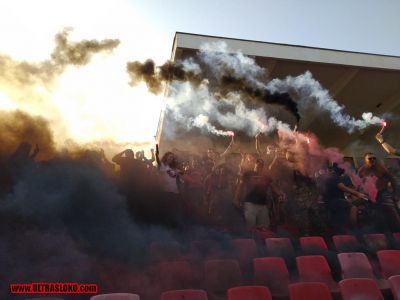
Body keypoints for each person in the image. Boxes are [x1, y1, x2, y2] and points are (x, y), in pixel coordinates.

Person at [234, 158, 285, 229]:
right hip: (250, 204)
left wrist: (280, 194)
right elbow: (240, 186)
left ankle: (261, 239)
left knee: (264, 227)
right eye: (258, 165)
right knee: (250, 226)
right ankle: (251, 239)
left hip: (263, 205)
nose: (259, 167)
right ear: (254, 165)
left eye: (261, 166)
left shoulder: (266, 176)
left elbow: (273, 186)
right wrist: (236, 198)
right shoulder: (248, 174)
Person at [358, 152, 400, 231]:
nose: (372, 160)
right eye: (370, 159)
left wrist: (395, 194)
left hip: (383, 192)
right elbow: (359, 185)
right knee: (372, 213)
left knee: (392, 209)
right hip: (370, 195)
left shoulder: (381, 167)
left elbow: (392, 179)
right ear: (365, 160)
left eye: (374, 158)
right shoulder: (362, 171)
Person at [322, 163, 367, 233]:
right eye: (343, 168)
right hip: (334, 201)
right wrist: (358, 194)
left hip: (335, 201)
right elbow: (342, 187)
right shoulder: (334, 176)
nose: (344, 170)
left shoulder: (334, 176)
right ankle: (355, 231)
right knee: (353, 208)